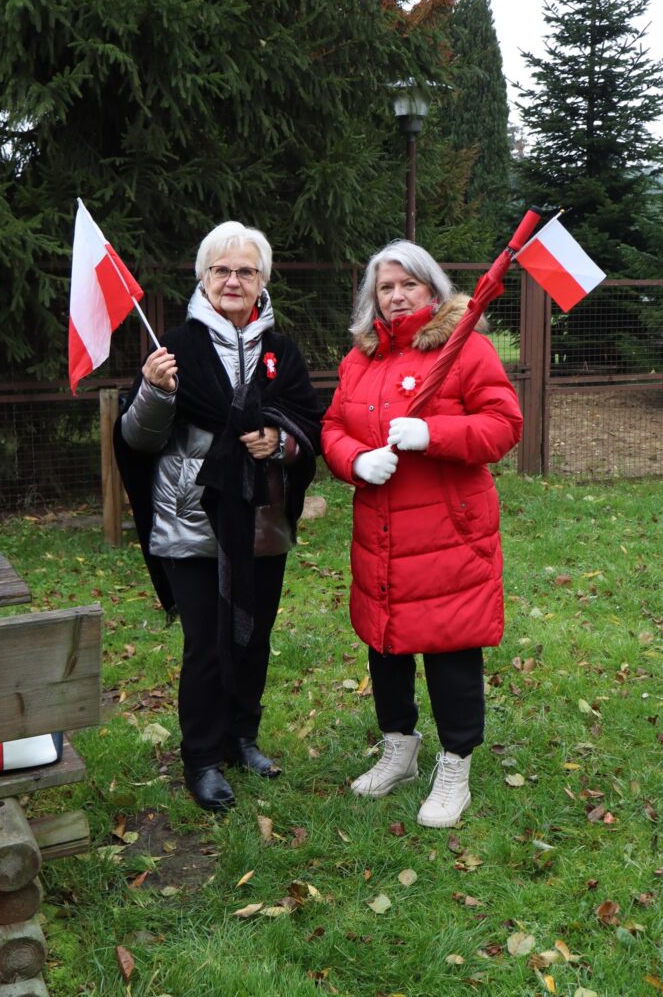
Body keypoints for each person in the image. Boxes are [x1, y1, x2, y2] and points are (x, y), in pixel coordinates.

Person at [115, 221, 321, 812]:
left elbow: (308, 422)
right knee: (206, 644)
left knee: (252, 636)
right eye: (221, 270)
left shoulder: (282, 351)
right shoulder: (173, 346)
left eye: (246, 271)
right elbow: (136, 437)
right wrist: (154, 393)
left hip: (261, 520)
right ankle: (202, 757)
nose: (233, 280)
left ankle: (242, 737)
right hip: (192, 520)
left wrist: (279, 443)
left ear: (262, 281)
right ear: (204, 278)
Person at [321, 240, 523, 829]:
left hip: (447, 532)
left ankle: (455, 764)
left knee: (449, 646)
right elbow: (333, 425)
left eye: (408, 283)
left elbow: (502, 426)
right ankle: (399, 749)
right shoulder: (360, 360)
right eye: (385, 286)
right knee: (385, 643)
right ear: (372, 298)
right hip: (382, 532)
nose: (397, 295)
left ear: (433, 290)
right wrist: (355, 461)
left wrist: (432, 434)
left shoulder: (467, 350)